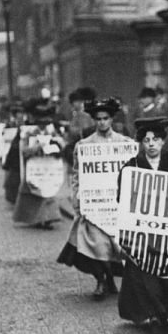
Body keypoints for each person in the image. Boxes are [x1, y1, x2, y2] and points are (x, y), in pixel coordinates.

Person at [57, 97, 133, 300]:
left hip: (116, 206)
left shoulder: (125, 144)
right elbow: (77, 175)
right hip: (94, 207)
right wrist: (77, 200)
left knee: (115, 246)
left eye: (105, 118)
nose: (102, 122)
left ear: (111, 119)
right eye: (98, 119)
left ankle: (110, 278)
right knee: (95, 245)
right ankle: (101, 279)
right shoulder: (84, 146)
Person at [116, 117, 168, 334]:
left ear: (163, 142)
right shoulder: (131, 167)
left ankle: (165, 313)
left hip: (167, 230)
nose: (151, 144)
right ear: (141, 143)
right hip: (140, 232)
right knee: (144, 275)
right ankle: (153, 315)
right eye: (146, 140)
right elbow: (121, 198)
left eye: (155, 139)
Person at [12, 99, 65, 229]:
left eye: (46, 121)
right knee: (34, 193)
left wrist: (55, 145)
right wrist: (37, 147)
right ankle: (36, 218)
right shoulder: (28, 132)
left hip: (49, 166)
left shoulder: (53, 132)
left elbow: (62, 146)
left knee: (49, 191)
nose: (43, 124)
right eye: (41, 121)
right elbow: (23, 150)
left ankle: (49, 218)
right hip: (34, 167)